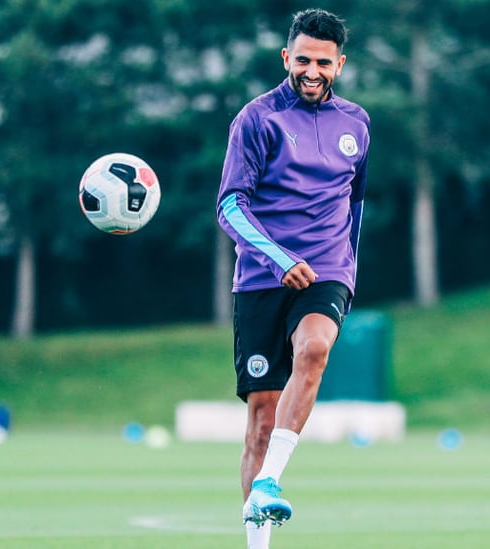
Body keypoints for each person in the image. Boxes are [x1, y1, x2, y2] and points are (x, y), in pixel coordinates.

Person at [215, 7, 370, 549]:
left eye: (323, 63)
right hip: (262, 277)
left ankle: (272, 480)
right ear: (286, 58)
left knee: (315, 349)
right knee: (260, 420)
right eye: (302, 59)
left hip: (327, 270)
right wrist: (279, 258)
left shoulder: (357, 123)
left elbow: (354, 205)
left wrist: (345, 270)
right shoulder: (256, 120)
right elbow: (229, 206)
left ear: (340, 64)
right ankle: (258, 542)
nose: (312, 70)